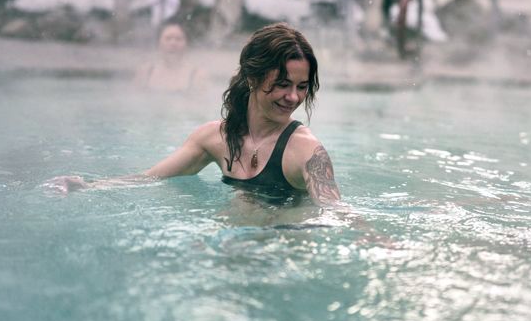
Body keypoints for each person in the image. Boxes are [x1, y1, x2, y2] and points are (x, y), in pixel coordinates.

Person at [50, 22, 341, 206]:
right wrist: (88, 187)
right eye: (282, 84)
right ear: (253, 78)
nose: (293, 97)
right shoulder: (214, 138)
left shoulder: (305, 149)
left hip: (285, 255)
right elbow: (151, 178)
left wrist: (378, 243)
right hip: (233, 247)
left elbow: (336, 211)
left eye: (302, 87)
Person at [133, 21, 199, 93]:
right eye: (168, 38)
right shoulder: (145, 73)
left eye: (178, 39)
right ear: (159, 43)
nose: (173, 43)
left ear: (186, 45)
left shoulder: (197, 76)